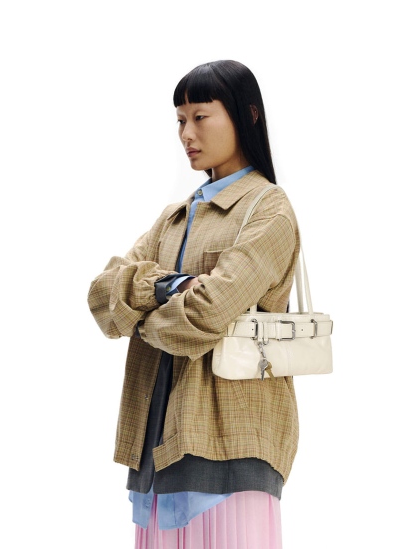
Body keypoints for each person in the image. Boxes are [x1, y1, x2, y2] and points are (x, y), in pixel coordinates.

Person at [88, 60, 300, 549]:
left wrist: (139, 313)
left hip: (230, 438)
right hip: (156, 438)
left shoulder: (269, 209)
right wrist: (172, 288)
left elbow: (208, 311)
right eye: (180, 120)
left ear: (247, 115)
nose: (186, 133)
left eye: (200, 116)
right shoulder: (175, 216)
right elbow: (101, 295)